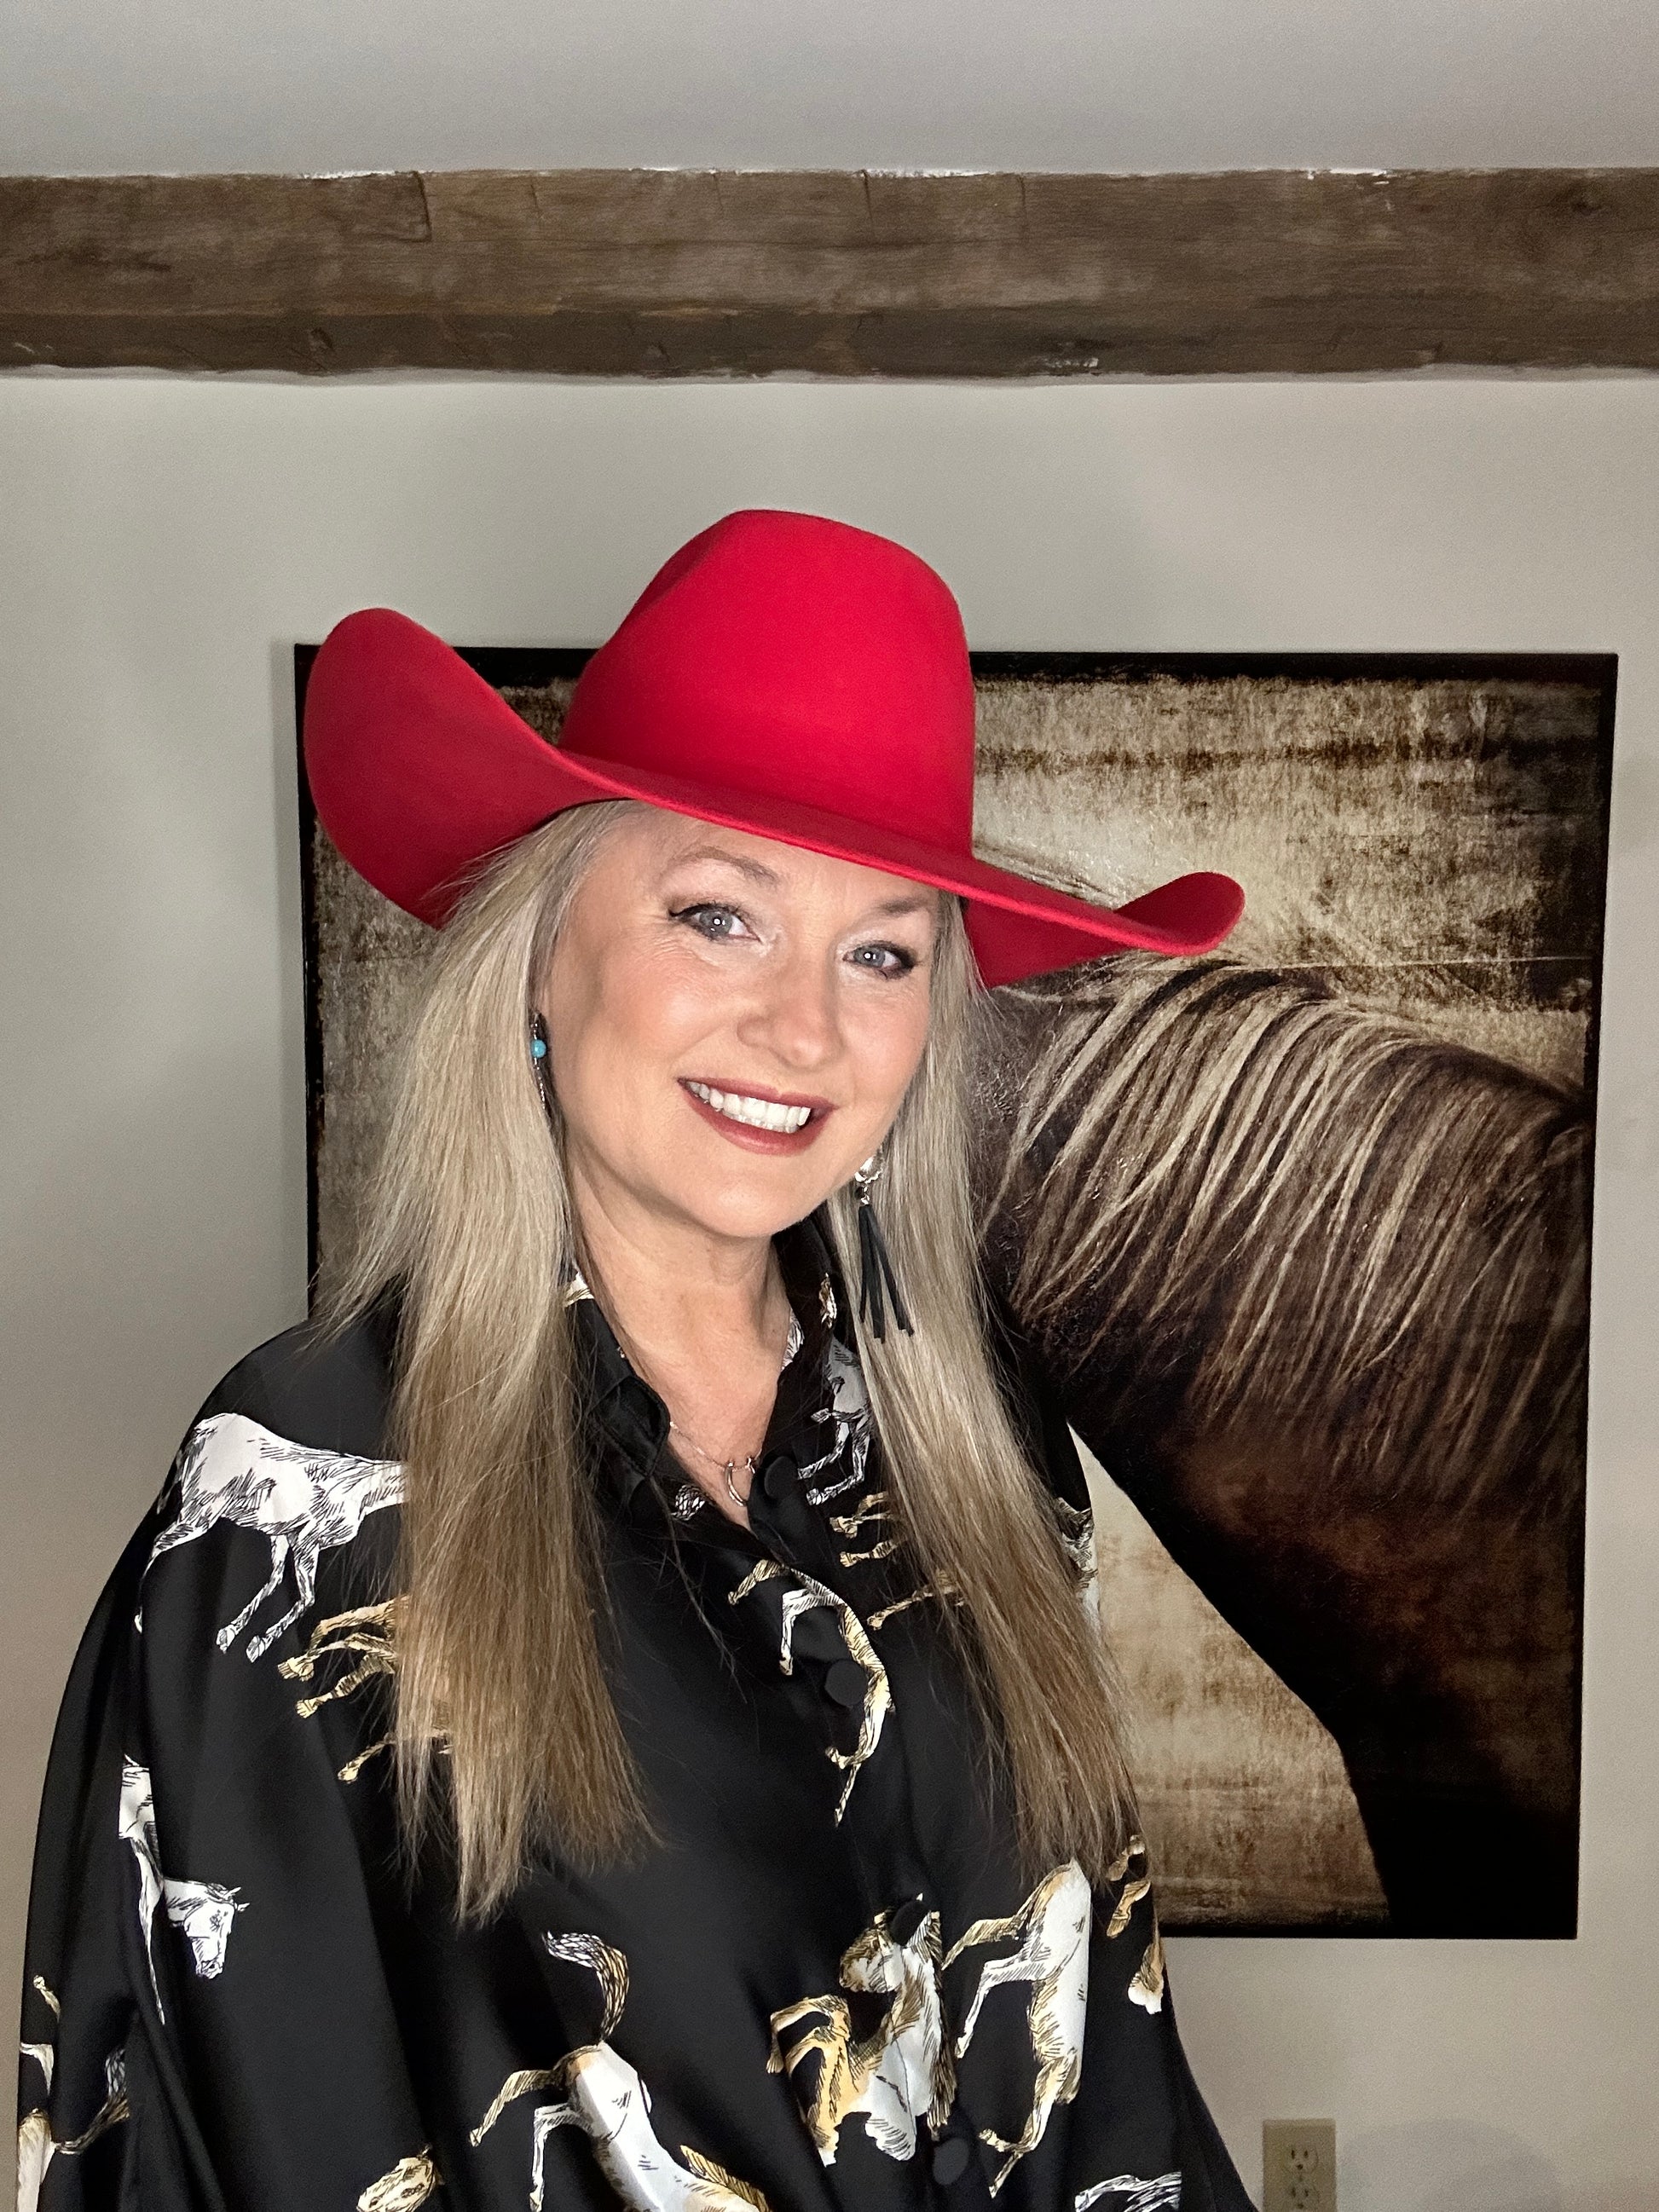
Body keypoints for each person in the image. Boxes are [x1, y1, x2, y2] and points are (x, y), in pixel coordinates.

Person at [17, 510, 1250, 2212]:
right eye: (718, 916)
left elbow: (1112, 2081)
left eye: (880, 949)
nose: (806, 1026)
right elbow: (197, 2118)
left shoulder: (982, 1462)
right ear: (540, 954)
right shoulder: (303, 1482)